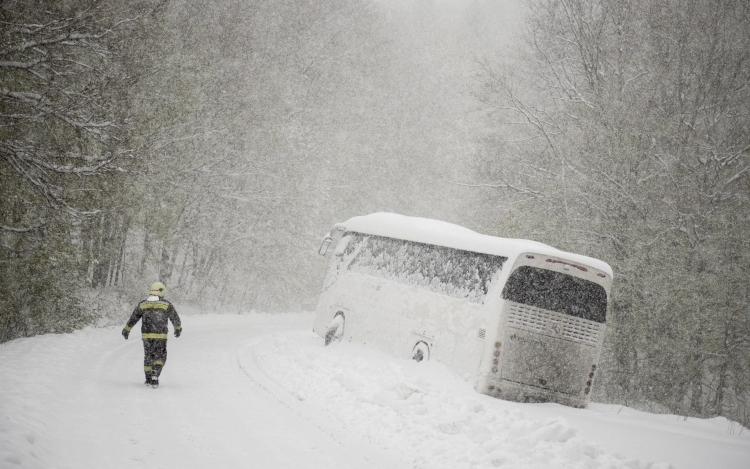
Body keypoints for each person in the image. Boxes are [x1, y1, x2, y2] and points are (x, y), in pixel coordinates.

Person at [122, 281, 182, 388]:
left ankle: (148, 378)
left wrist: (127, 329)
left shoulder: (143, 304)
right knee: (160, 355)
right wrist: (178, 328)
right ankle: (155, 373)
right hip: (161, 336)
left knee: (148, 356)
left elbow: (134, 317)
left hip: (147, 336)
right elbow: (174, 317)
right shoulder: (166, 304)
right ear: (161, 291)